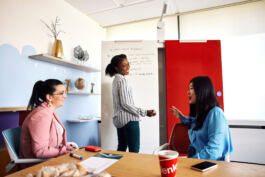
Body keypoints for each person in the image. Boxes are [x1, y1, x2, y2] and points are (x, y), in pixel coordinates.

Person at [170, 76, 233, 161]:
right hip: (199, 162)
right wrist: (182, 117)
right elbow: (195, 123)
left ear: (202, 91)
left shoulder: (216, 114)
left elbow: (214, 151)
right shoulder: (201, 115)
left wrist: (190, 161)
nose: (188, 92)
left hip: (213, 165)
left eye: (191, 88)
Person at [105, 54, 156, 153]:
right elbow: (125, 103)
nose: (128, 67)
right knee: (134, 151)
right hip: (129, 120)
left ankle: (118, 168)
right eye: (124, 65)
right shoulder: (122, 80)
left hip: (120, 120)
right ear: (116, 68)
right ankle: (129, 168)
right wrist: (145, 112)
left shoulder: (116, 80)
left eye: (128, 64)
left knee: (121, 148)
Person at [20, 79, 77, 159]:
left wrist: (67, 147)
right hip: (38, 166)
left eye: (65, 92)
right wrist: (64, 151)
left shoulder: (50, 111)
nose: (65, 96)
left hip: (50, 160)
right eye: (61, 93)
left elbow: (52, 141)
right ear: (49, 97)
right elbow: (41, 151)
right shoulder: (40, 116)